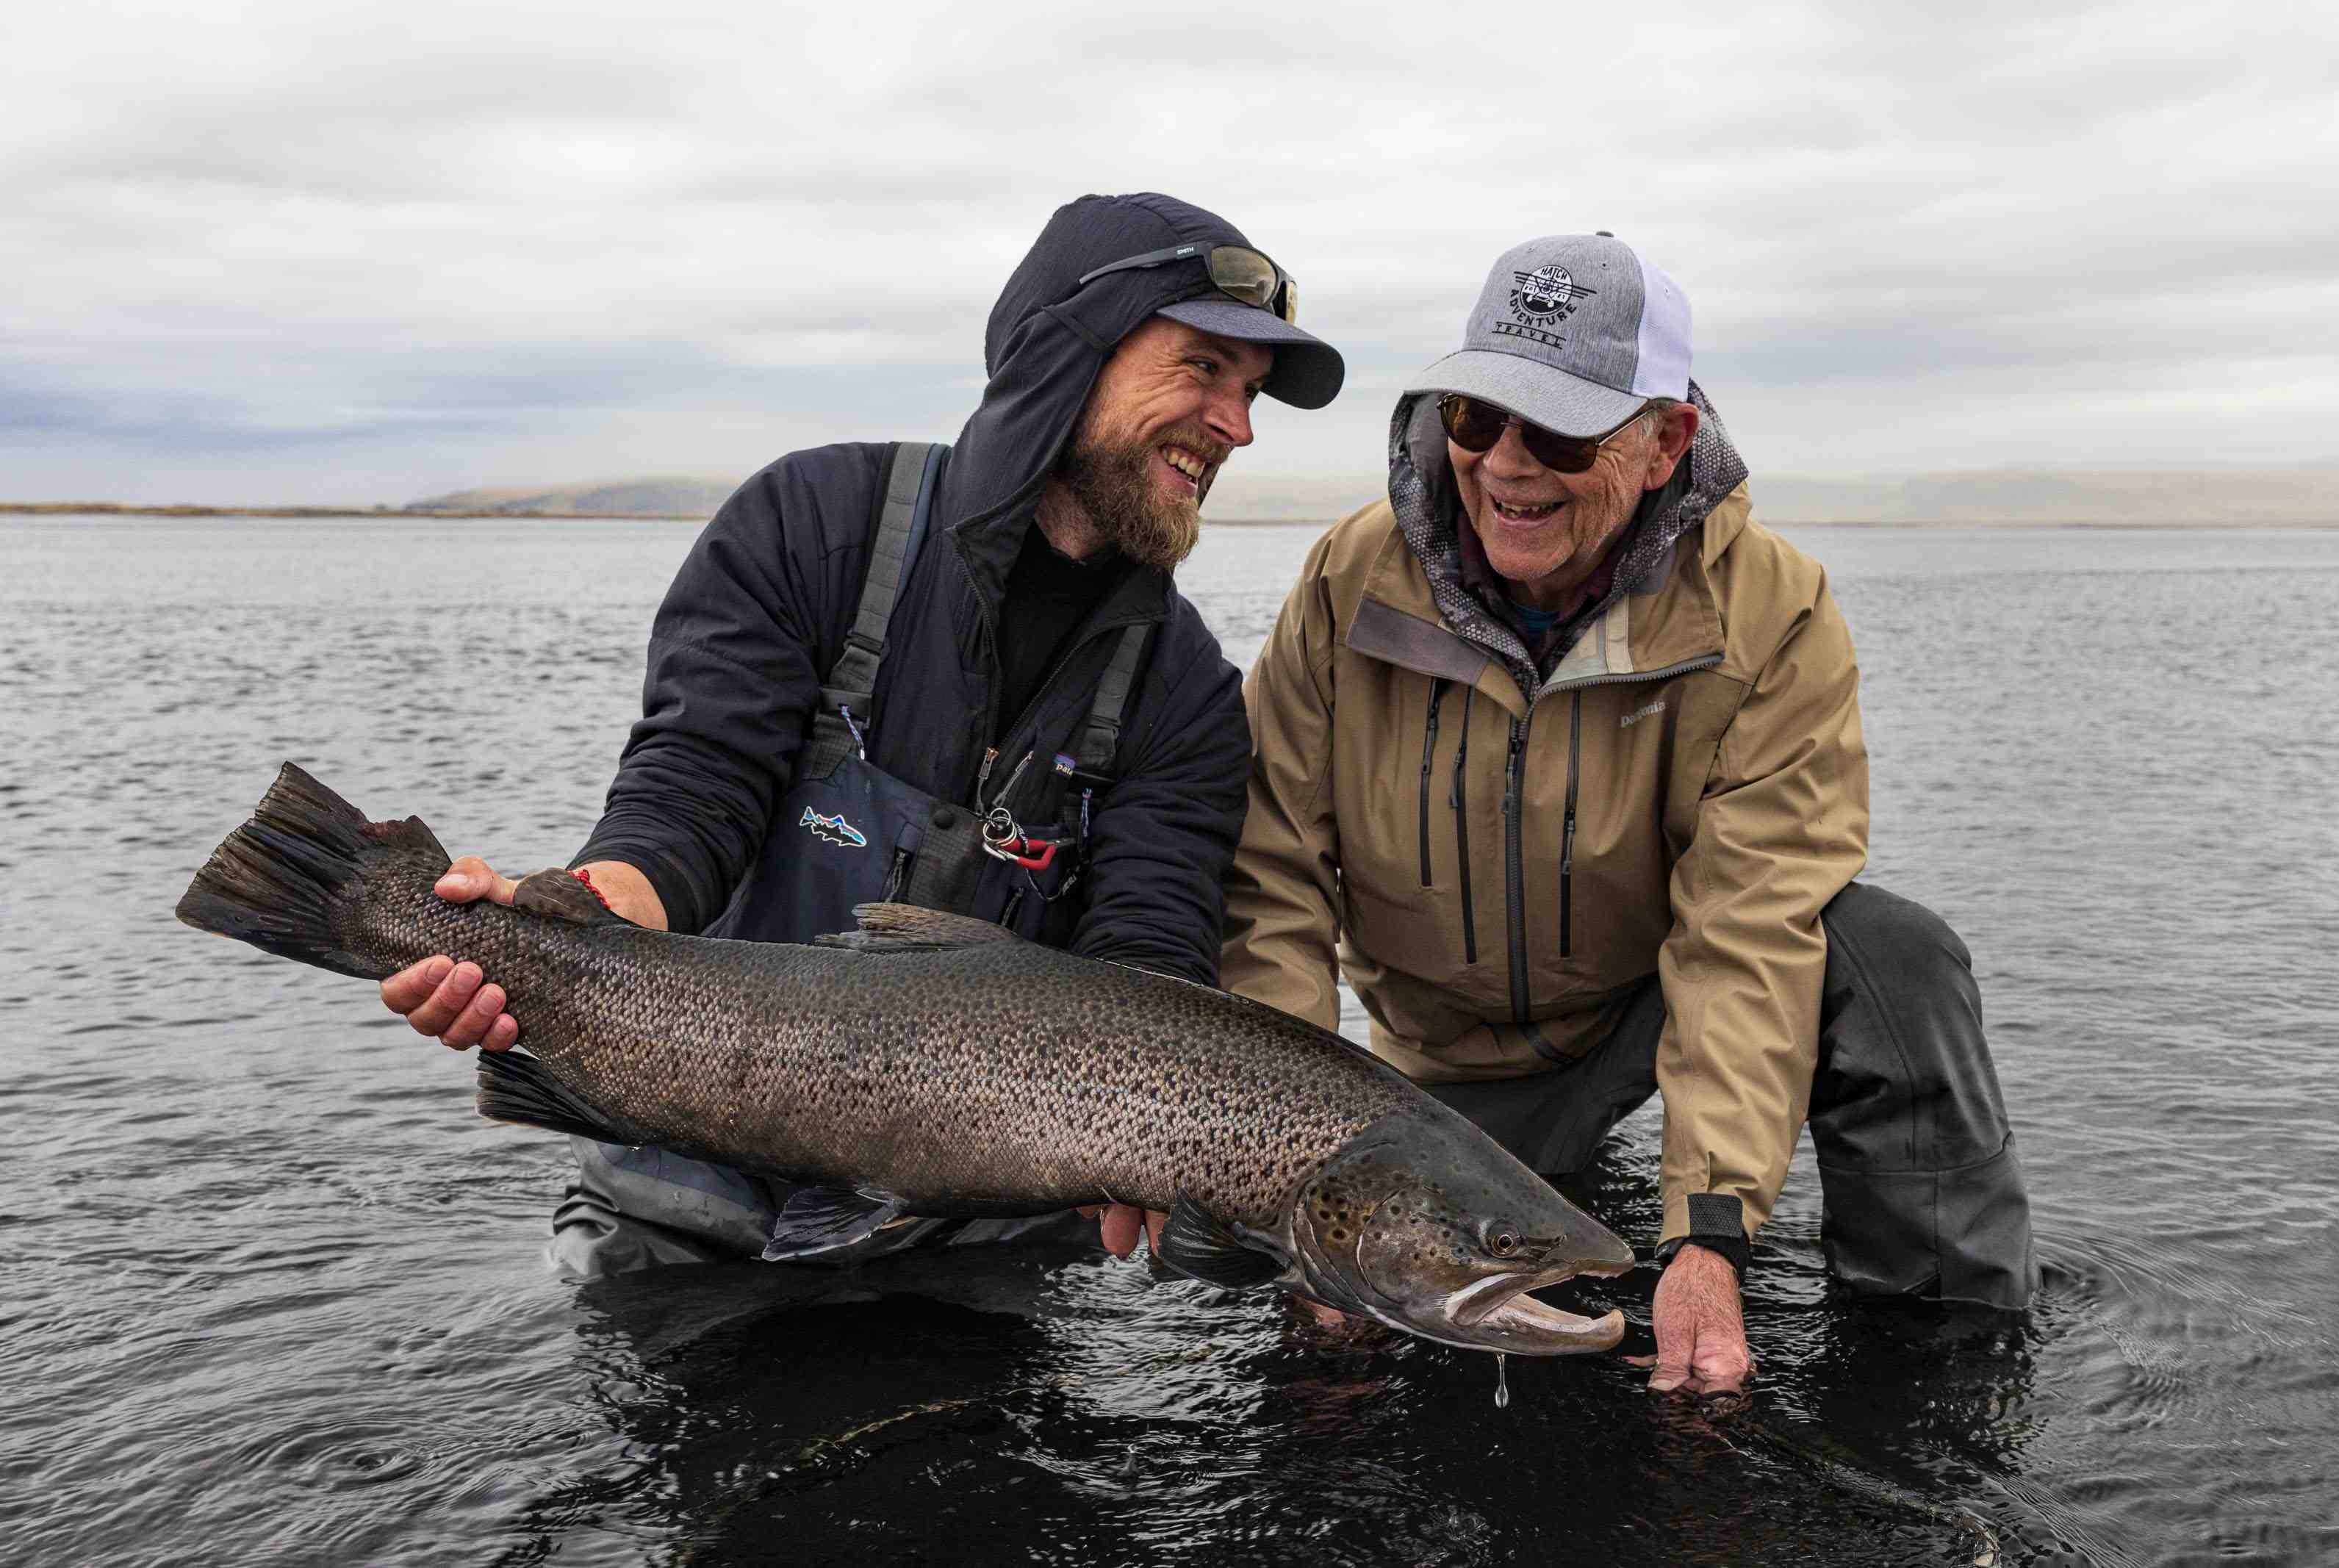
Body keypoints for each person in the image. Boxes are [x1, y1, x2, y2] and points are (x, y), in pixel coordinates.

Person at [378, 192, 1345, 1276]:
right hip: (685, 1202)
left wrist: (1173, 1162)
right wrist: (587, 913)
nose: (1238, 426)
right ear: (1066, 352)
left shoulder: (1188, 692)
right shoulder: (814, 523)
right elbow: (695, 791)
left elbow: (1148, 963)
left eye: (1252, 393)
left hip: (968, 1250)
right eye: (1204, 368)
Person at [1216, 233, 2037, 1393]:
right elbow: (1271, 880)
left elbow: (1747, 931)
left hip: (1641, 1009)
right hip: (1439, 1072)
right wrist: (1296, 1182)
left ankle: (1944, 1361)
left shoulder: (1774, 613)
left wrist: (1706, 1234)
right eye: (1472, 415)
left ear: (1666, 444)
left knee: (1890, 954)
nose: (1505, 465)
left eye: (1557, 432)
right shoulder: (1348, 584)